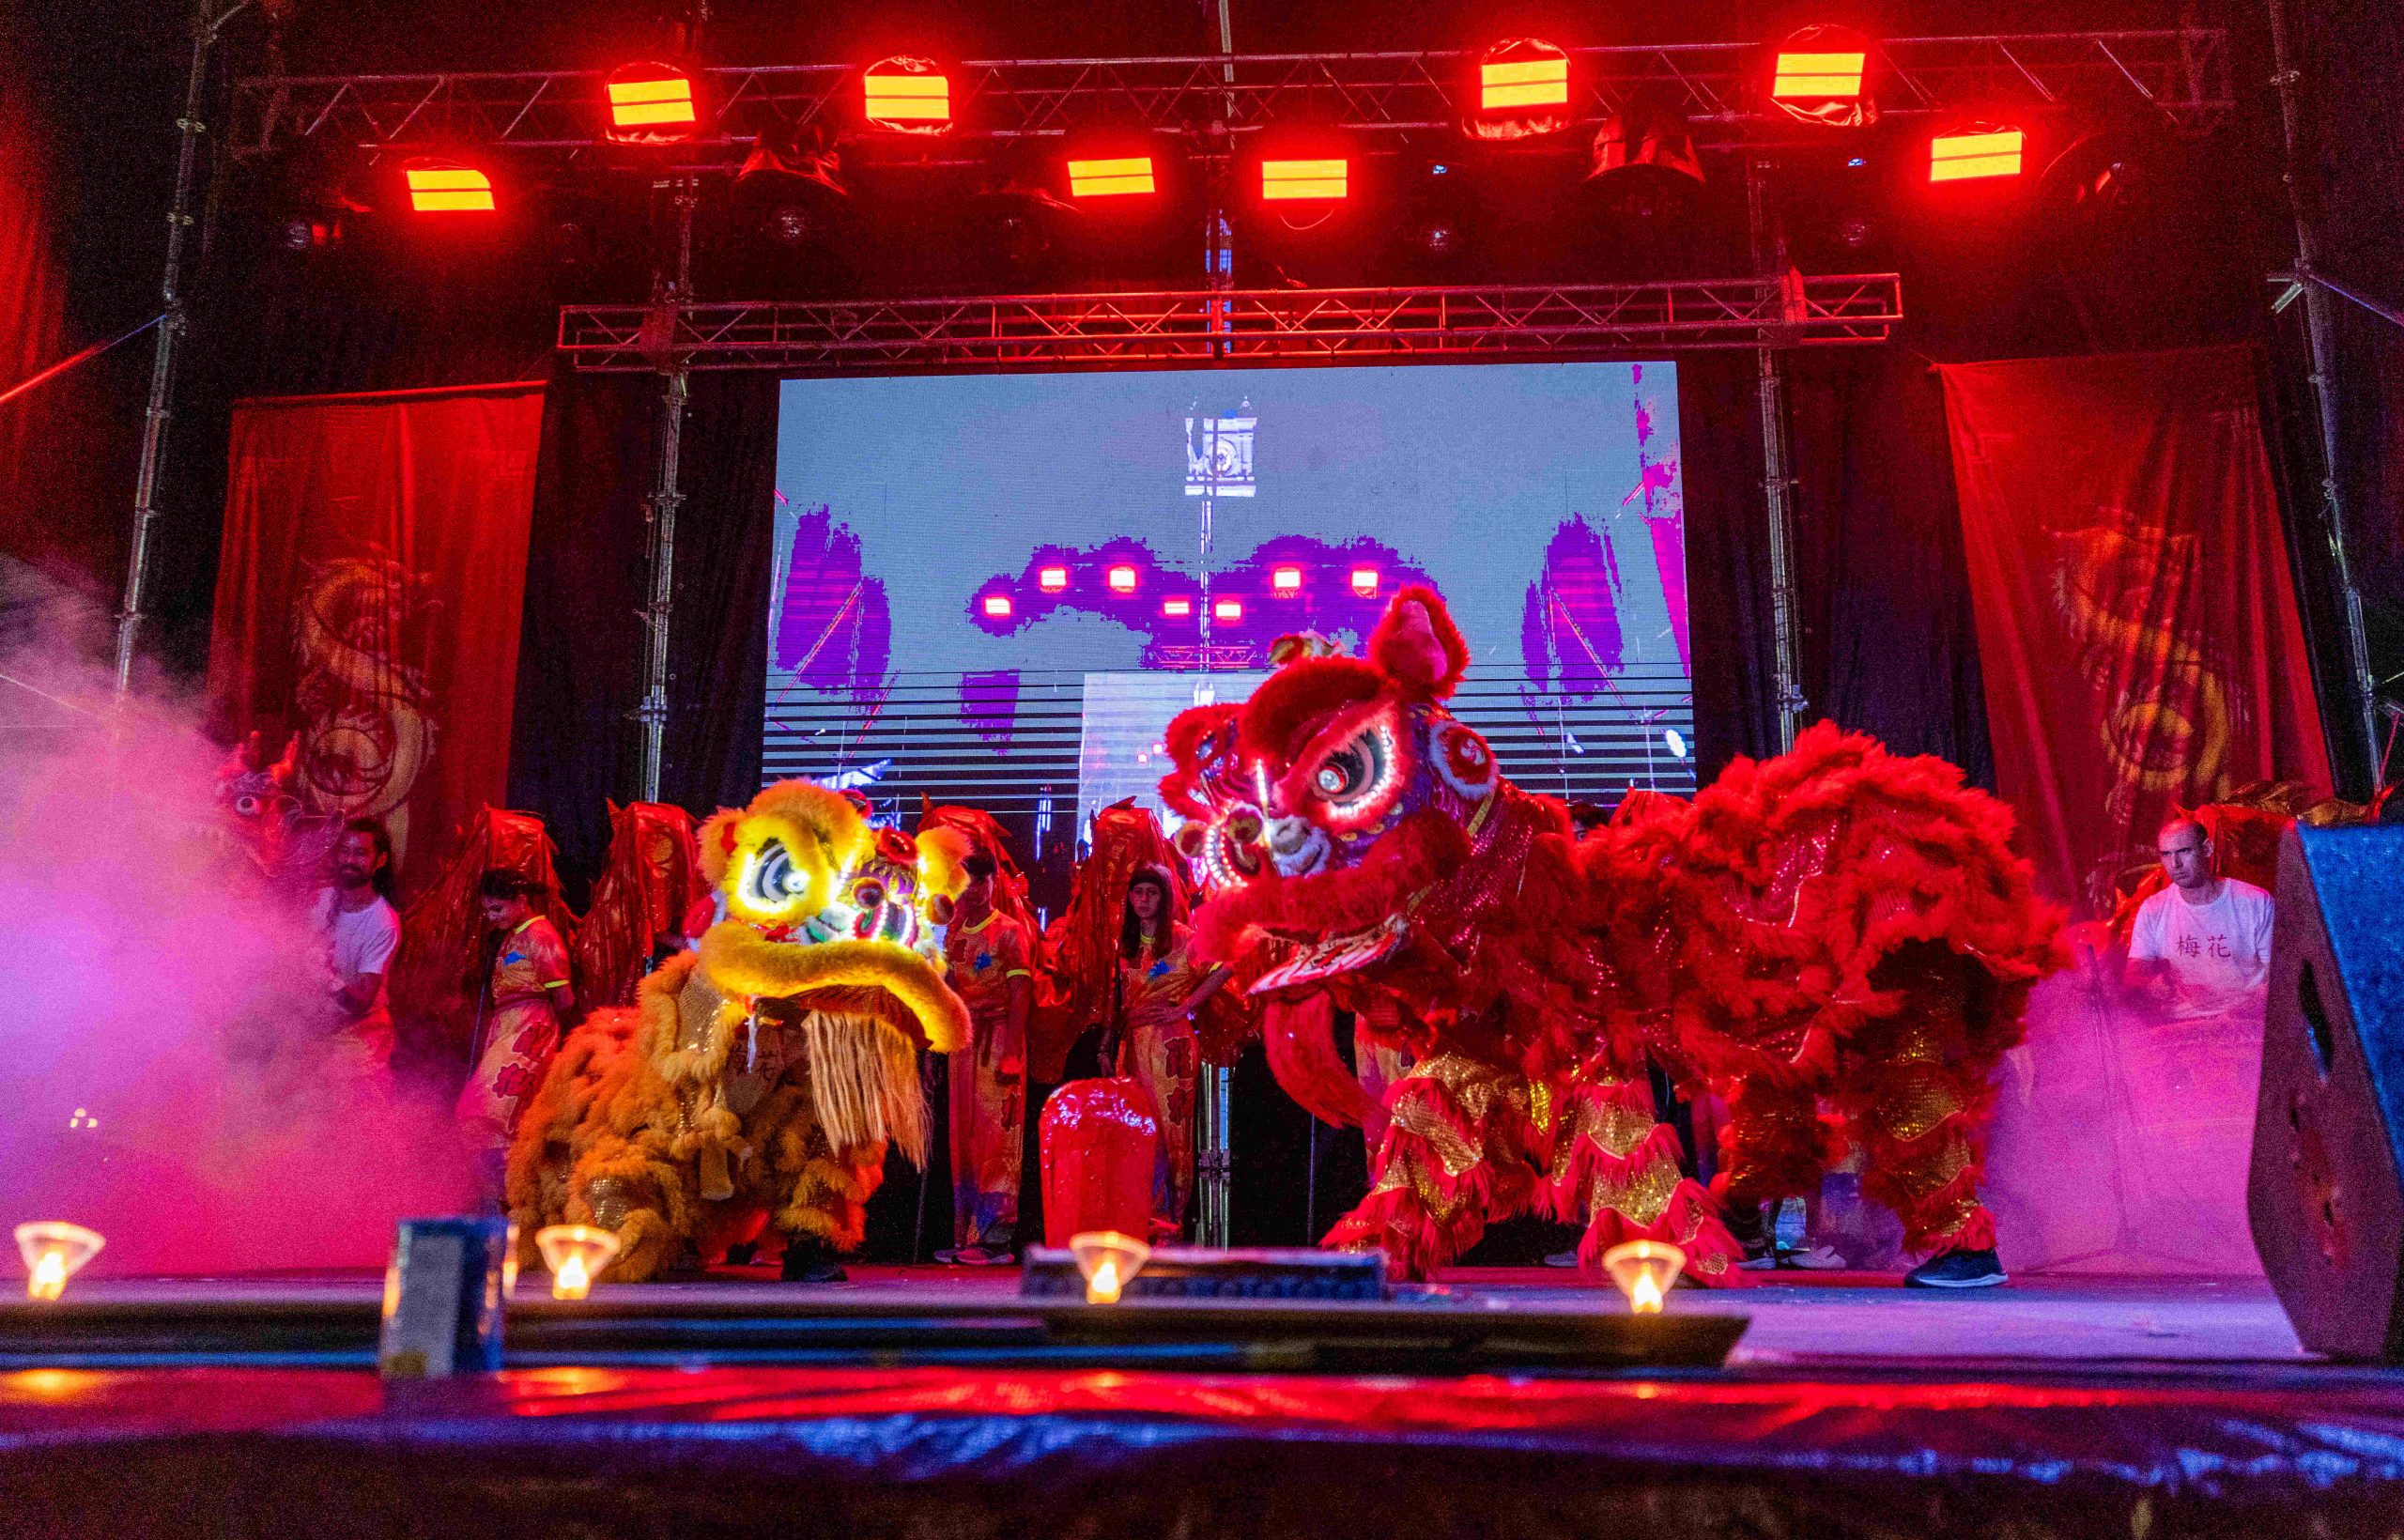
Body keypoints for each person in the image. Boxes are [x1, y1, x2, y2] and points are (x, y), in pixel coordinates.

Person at [1111, 864, 1229, 1239]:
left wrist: (1187, 1005)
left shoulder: (1183, 938)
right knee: (1138, 1130)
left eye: (1152, 892)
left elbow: (1227, 965)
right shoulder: (1125, 944)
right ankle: (1142, 1219)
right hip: (1133, 1045)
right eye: (1138, 892)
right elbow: (1119, 1000)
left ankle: (1168, 1223)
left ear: (1164, 898)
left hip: (1170, 1047)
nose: (1144, 900)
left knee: (1171, 1132)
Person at [939, 852, 1035, 1264]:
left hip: (999, 1039)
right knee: (964, 1140)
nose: (974, 890)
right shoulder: (952, 934)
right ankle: (966, 1237)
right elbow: (947, 993)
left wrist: (1011, 1052)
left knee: (998, 1137)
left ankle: (996, 1238)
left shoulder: (1010, 932)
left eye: (982, 881)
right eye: (967, 882)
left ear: (994, 883)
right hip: (963, 1042)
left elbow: (1021, 994)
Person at [455, 870, 576, 1178]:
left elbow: (564, 998)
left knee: (490, 1110)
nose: (491, 917)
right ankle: (502, 1189)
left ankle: (510, 1187)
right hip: (508, 1026)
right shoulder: (513, 935)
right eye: (486, 910)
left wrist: (544, 1030)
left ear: (521, 901)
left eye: (497, 909)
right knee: (482, 1112)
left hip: (530, 1029)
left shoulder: (540, 935)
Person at [2125, 816, 2275, 1015]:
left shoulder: (2254, 901)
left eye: (2184, 851)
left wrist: (2246, 1007)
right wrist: (2150, 984)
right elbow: (2133, 976)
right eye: (2166, 854)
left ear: (2207, 849)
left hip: (2243, 1018)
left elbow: (2277, 974)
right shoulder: (2153, 909)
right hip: (2182, 1019)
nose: (2175, 864)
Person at [314, 816, 402, 1075]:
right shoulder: (319, 899)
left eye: (360, 853)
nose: (350, 860)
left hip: (359, 1038)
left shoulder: (383, 923)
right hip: (315, 1029)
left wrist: (323, 975)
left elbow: (361, 1001)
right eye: (344, 851)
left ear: (380, 861)